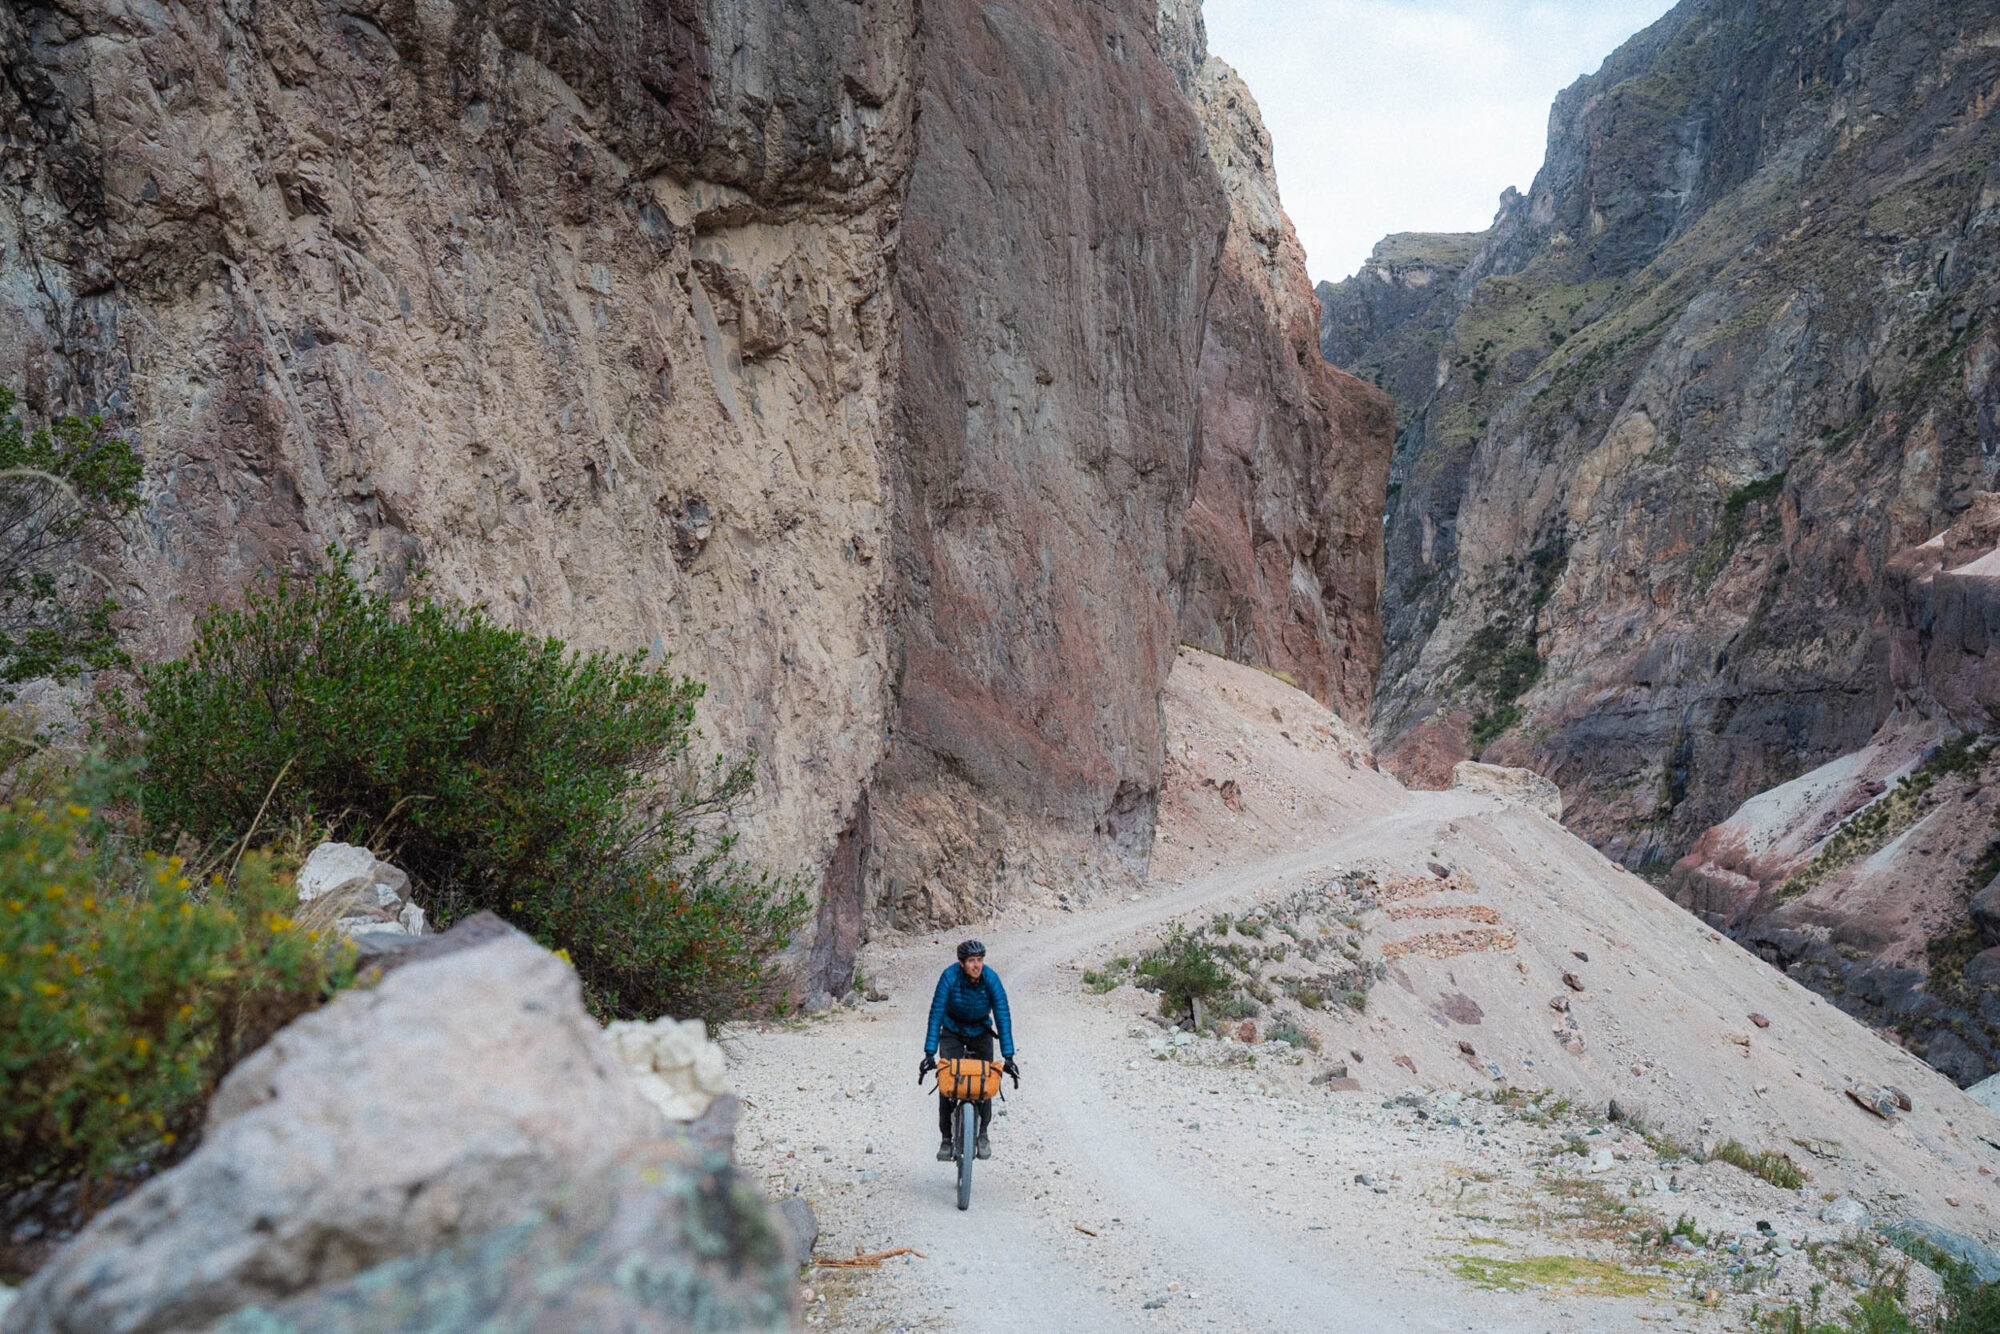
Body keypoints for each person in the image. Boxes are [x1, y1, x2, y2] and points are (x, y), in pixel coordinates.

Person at [919, 939, 1019, 1161]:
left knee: (986, 1080)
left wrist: (1008, 1056)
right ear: (961, 963)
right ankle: (946, 1139)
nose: (977, 965)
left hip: (981, 1030)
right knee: (947, 1082)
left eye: (980, 960)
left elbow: (1002, 1014)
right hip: (952, 1030)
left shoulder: (991, 979)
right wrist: (929, 1053)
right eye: (972, 961)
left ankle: (982, 1133)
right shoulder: (949, 977)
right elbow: (936, 1013)